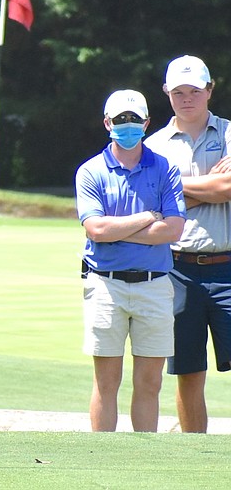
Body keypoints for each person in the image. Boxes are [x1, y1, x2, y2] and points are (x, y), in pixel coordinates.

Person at [75, 89, 186, 432]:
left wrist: (117, 230)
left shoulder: (164, 168)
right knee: (106, 383)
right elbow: (95, 228)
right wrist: (148, 216)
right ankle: (102, 455)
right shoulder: (91, 171)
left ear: (146, 123)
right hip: (106, 284)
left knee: (150, 383)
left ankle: (143, 457)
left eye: (134, 119)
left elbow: (173, 230)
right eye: (120, 119)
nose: (127, 125)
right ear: (107, 123)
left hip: (154, 284)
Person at [146, 55, 231, 433]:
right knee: (188, 371)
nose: (186, 99)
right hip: (177, 269)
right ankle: (194, 450)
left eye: (194, 91)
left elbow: (227, 187)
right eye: (178, 92)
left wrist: (174, 190)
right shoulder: (154, 146)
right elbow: (151, 207)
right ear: (167, 93)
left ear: (210, 90)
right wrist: (207, 189)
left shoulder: (230, 134)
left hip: (228, 265)